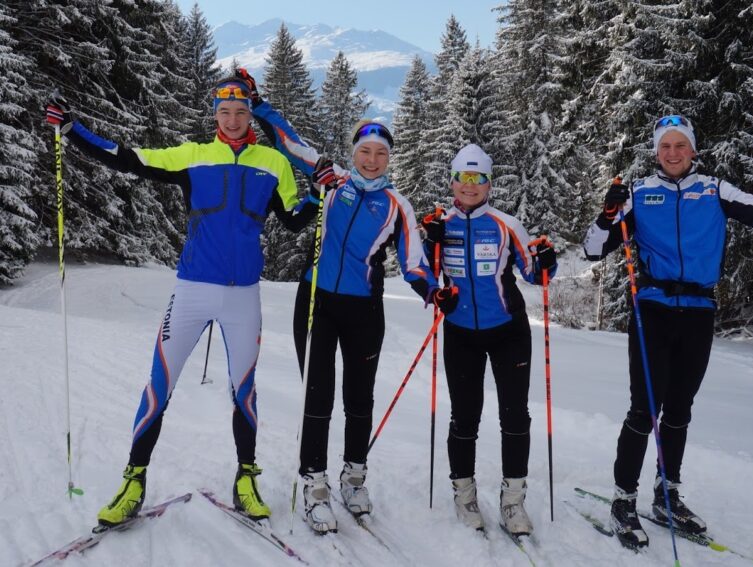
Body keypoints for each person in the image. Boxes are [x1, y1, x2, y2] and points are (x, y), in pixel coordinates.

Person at [582, 114, 753, 549]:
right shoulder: (638, 193)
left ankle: (666, 494)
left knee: (680, 409)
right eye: (665, 146)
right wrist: (609, 212)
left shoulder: (714, 189)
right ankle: (623, 499)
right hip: (652, 309)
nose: (673, 153)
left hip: (698, 310)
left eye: (680, 145)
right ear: (656, 151)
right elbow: (593, 249)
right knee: (644, 409)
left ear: (692, 150)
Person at [44, 75, 303, 526]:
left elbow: (296, 218)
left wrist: (322, 190)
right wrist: (73, 130)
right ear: (215, 115)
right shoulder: (193, 156)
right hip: (192, 292)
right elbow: (129, 159)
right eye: (225, 111)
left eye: (241, 111)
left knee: (245, 391)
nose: (233, 119)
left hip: (243, 298)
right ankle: (133, 479)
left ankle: (246, 477)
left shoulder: (274, 164)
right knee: (158, 385)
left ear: (250, 115)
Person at [244, 70, 456, 534]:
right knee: (316, 394)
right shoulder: (331, 179)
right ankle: (314, 481)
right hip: (317, 302)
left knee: (359, 398)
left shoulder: (397, 205)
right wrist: (257, 104)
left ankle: (354, 476)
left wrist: (433, 290)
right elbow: (287, 141)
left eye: (381, 153)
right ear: (352, 152)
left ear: (389, 158)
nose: (373, 159)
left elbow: (415, 262)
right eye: (365, 151)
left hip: (364, 310)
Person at [420, 144, 557, 536]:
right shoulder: (439, 224)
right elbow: (422, 273)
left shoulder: (506, 224)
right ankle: (464, 492)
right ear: (452, 181)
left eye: (477, 178)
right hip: (460, 333)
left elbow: (534, 273)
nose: (469, 186)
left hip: (508, 331)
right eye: (462, 177)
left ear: (489, 184)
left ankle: (513, 500)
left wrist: (547, 260)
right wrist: (432, 264)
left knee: (515, 415)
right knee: (465, 415)